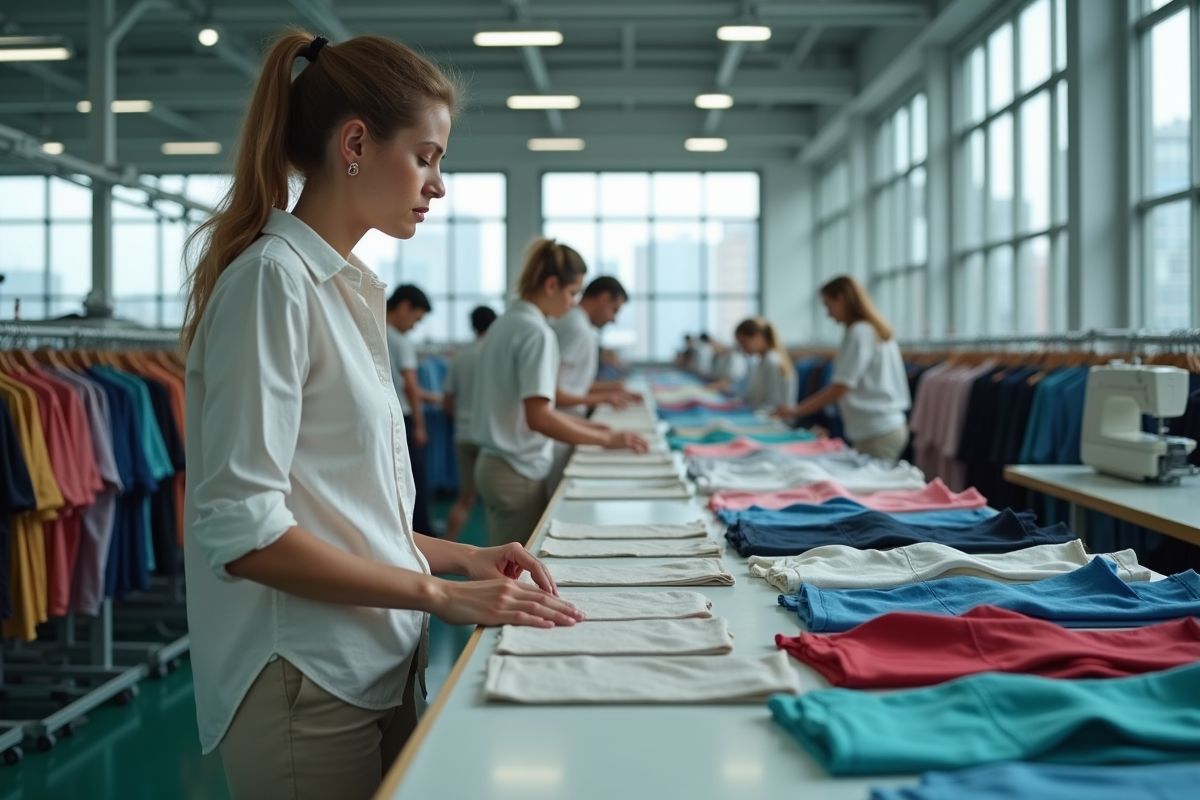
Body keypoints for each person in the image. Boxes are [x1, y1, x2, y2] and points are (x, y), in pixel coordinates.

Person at [179, 30, 582, 800]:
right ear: (355, 142)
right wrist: (441, 594)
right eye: (427, 157)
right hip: (306, 676)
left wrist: (460, 557)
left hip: (374, 659)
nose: (437, 185)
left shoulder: (344, 286)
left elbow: (344, 509)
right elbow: (243, 532)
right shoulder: (274, 284)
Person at [471, 238, 649, 547]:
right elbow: (539, 416)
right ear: (551, 285)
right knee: (512, 574)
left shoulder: (506, 323)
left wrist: (592, 426)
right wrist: (606, 439)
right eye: (572, 292)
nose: (573, 303)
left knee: (499, 564)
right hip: (516, 468)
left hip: (493, 463)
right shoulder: (535, 332)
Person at [775, 275, 912, 463]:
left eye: (828, 305)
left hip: (877, 431)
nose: (828, 314)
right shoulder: (870, 329)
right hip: (880, 429)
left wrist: (797, 410)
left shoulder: (859, 332)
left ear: (841, 298)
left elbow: (840, 386)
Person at [441, 305, 497, 542]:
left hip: (463, 434)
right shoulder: (498, 354)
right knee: (495, 503)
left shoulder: (461, 357)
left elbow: (447, 403)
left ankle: (445, 545)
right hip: (492, 436)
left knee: (466, 497)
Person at [386, 283, 437, 537]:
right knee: (415, 479)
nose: (414, 326)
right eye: (416, 319)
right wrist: (420, 426)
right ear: (404, 307)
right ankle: (422, 534)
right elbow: (411, 387)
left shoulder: (366, 328)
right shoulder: (400, 341)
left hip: (381, 419)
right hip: (402, 420)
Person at [731, 317, 798, 410]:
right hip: (764, 414)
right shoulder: (762, 360)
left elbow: (774, 403)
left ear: (756, 337)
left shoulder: (772, 361)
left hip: (776, 420)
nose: (743, 349)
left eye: (744, 343)